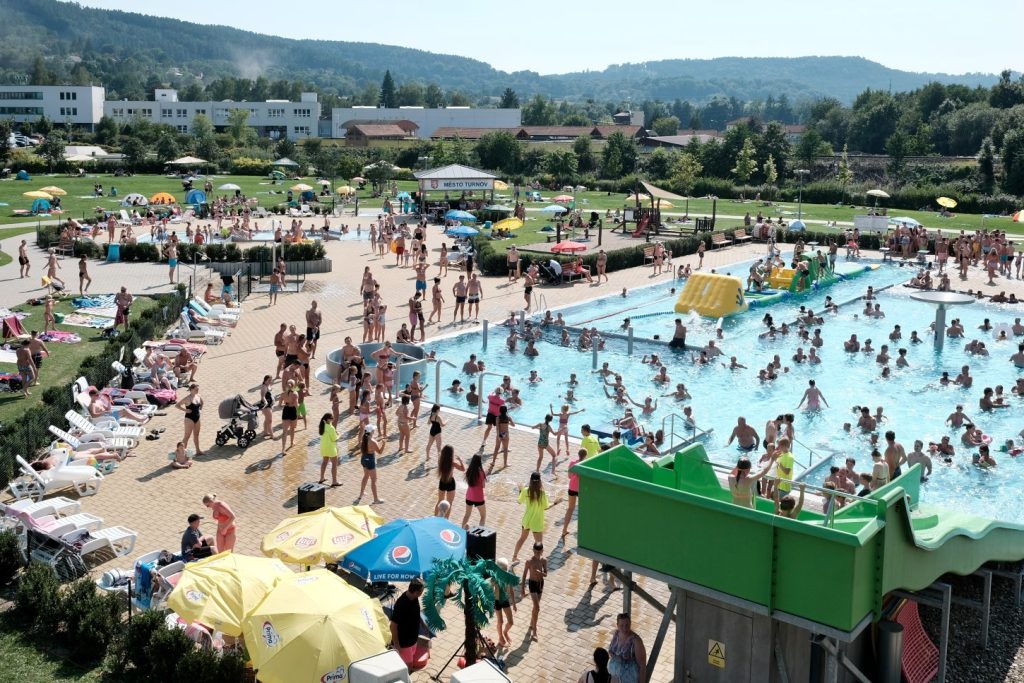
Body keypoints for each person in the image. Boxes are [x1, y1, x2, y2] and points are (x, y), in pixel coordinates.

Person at [512, 472, 555, 562]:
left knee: (522, 539)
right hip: (537, 522)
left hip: (527, 519)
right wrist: (556, 503)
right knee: (539, 544)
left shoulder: (526, 490)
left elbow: (519, 501)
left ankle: (514, 556)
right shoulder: (542, 493)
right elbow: (546, 507)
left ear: (530, 480)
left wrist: (520, 490)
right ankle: (537, 562)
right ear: (540, 481)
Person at [390, 578, 427, 670]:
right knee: (408, 667)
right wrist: (397, 646)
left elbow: (416, 612)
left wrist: (423, 624)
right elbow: (393, 626)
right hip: (403, 643)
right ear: (417, 592)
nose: (422, 593)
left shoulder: (414, 597)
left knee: (410, 659)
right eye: (422, 591)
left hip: (412, 640)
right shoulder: (401, 604)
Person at [520, 542, 547, 643]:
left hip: (540, 584)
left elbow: (546, 574)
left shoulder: (544, 560)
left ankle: (532, 623)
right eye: (535, 552)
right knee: (537, 607)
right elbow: (524, 576)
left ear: (542, 551)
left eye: (539, 552)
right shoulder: (529, 562)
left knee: (536, 607)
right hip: (532, 584)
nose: (537, 554)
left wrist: (541, 573)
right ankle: (534, 631)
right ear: (533, 551)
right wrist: (522, 589)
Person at [608, 613, 647, 683]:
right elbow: (611, 651)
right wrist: (616, 657)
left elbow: (642, 666)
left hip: (628, 678)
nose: (624, 628)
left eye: (627, 625)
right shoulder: (616, 634)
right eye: (621, 626)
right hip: (613, 675)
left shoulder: (636, 641)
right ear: (617, 625)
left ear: (630, 624)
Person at [356, 425, 385, 504]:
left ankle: (361, 494)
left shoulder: (364, 438)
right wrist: (383, 445)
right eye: (373, 430)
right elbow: (380, 452)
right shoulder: (372, 441)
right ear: (371, 432)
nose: (374, 431)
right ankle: (376, 499)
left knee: (366, 476)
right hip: (370, 460)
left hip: (364, 459)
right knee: (374, 480)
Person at [435, 445, 464, 518]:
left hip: (442, 481)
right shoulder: (453, 463)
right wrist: (461, 461)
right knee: (449, 503)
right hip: (450, 482)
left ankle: (435, 518)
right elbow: (463, 469)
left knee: (439, 501)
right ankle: (446, 519)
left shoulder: (440, 461)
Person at [176, 383, 204, 456]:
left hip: (197, 418)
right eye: (196, 389)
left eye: (198, 389)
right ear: (191, 389)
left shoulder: (198, 396)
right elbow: (177, 405)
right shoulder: (187, 398)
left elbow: (202, 403)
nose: (197, 391)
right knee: (187, 436)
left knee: (196, 435)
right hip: (189, 419)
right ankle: (181, 454)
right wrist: (185, 410)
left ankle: (198, 451)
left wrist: (200, 410)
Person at [461, 454, 487, 529]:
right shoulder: (481, 473)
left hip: (469, 496)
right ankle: (480, 532)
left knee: (467, 515)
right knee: (483, 516)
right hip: (479, 498)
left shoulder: (469, 471)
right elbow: (483, 486)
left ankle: (462, 530)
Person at [318, 412, 341, 486]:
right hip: (331, 448)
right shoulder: (331, 428)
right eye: (331, 418)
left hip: (324, 447)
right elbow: (334, 439)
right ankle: (334, 481)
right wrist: (338, 435)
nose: (333, 419)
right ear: (327, 419)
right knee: (334, 464)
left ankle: (321, 478)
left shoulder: (323, 425)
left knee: (324, 462)